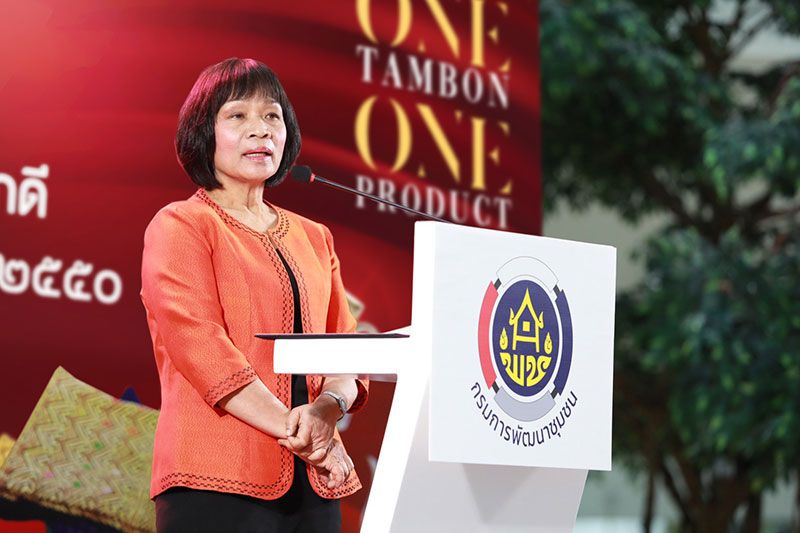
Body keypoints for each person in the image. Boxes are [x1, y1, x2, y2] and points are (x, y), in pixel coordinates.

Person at [140, 57, 368, 532]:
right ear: (204, 132)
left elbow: (348, 351)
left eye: (272, 116)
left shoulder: (315, 237)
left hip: (314, 483)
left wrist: (329, 408)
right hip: (213, 481)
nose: (260, 130)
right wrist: (304, 432)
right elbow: (203, 350)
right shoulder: (180, 224)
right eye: (238, 115)